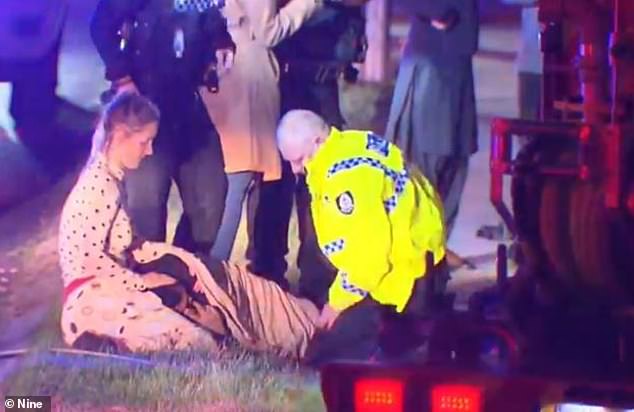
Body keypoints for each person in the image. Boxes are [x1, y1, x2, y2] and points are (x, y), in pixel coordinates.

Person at [59, 92, 321, 357]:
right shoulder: (97, 185)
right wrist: (142, 281)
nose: (149, 151)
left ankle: (303, 325)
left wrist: (175, 262)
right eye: (144, 142)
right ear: (121, 136)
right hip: (94, 297)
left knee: (224, 284)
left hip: (113, 286)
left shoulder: (111, 179)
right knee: (194, 341)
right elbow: (89, 260)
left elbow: (127, 246)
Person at [275, 109, 450, 358]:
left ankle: (398, 338)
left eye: (301, 159)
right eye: (290, 161)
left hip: (402, 281)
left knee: (321, 353)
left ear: (318, 141)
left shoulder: (346, 180)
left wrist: (336, 305)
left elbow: (370, 259)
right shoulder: (351, 144)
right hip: (418, 263)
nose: (295, 170)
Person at [246, 1, 368, 301]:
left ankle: (318, 278)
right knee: (274, 180)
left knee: (324, 181)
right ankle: (267, 273)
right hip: (283, 80)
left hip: (324, 83)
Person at [90, 0, 233, 255]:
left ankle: (182, 270)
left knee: (210, 201)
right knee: (146, 212)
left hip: (188, 106)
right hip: (146, 105)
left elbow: (210, 15)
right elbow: (100, 26)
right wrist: (122, 78)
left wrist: (221, 42)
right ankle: (150, 280)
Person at [201, 0, 323, 263]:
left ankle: (206, 270)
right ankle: (210, 275)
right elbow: (268, 31)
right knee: (239, 179)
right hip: (244, 73)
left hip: (219, 65)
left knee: (228, 178)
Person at [385, 0, 479, 268]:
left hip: (456, 60)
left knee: (455, 158)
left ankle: (436, 246)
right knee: (426, 160)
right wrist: (432, 10)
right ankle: (417, 251)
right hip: (432, 61)